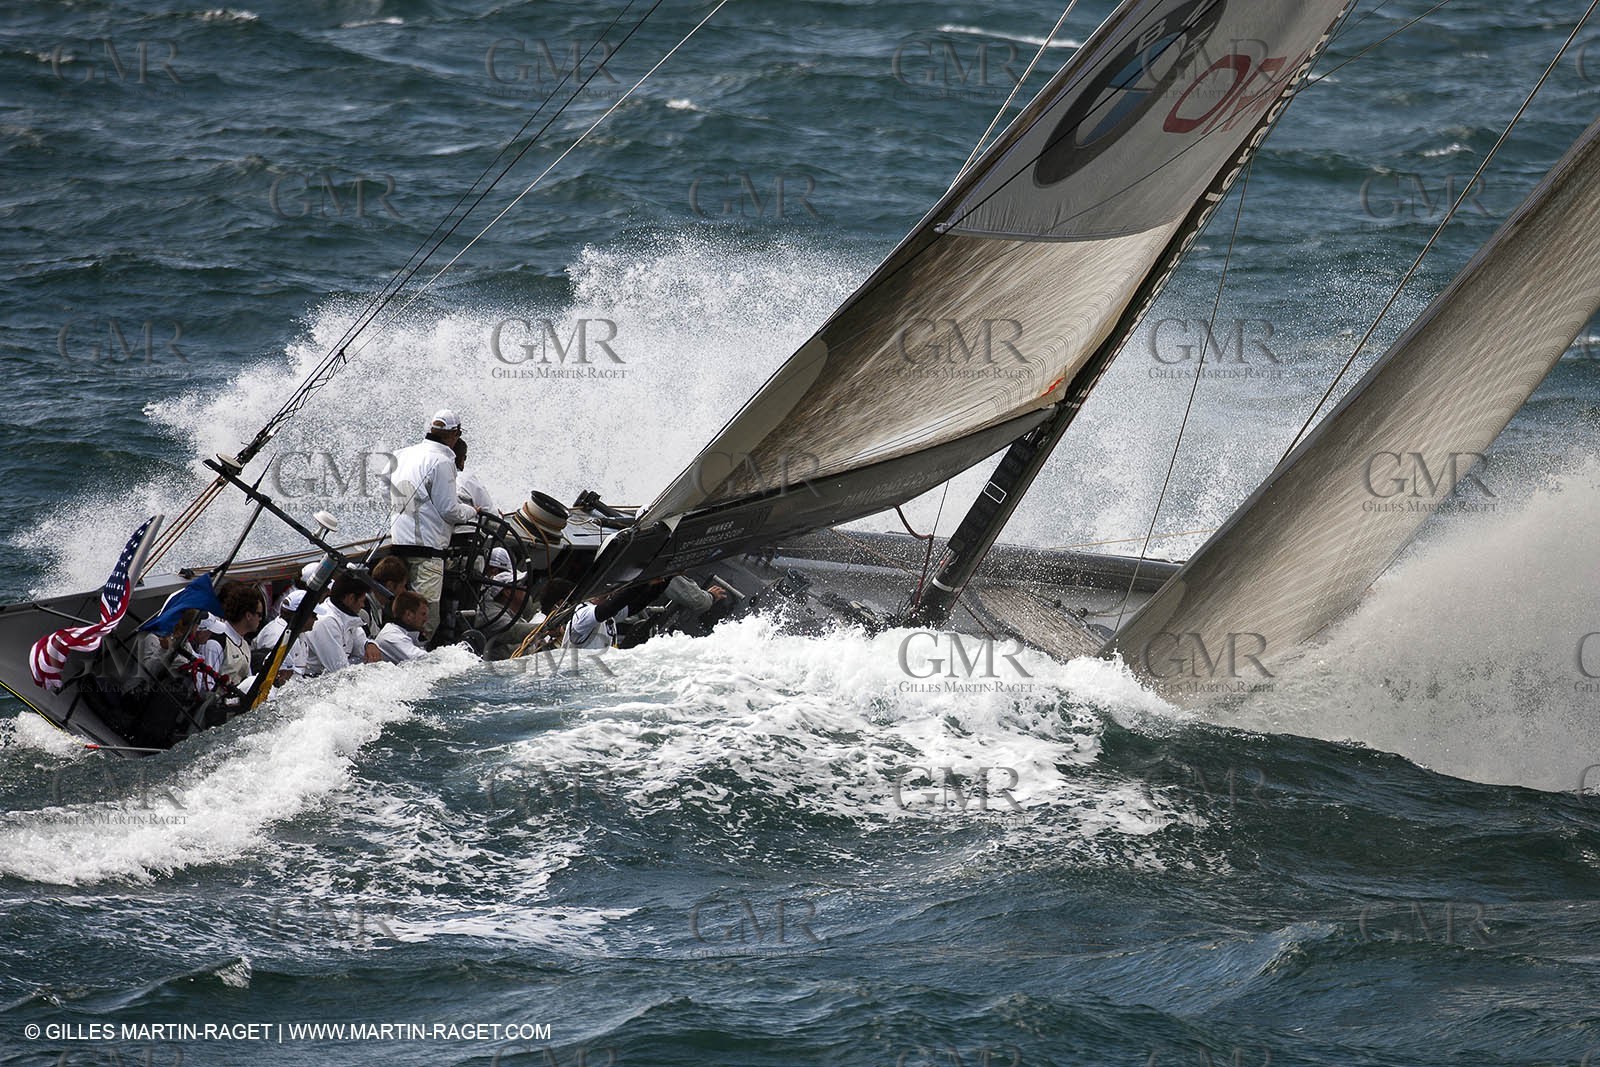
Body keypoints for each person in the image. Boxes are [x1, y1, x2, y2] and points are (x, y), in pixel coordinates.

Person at [388, 409, 480, 640]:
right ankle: (416, 656)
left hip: (399, 545)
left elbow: (386, 489)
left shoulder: (402, 453)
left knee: (401, 612)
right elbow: (450, 510)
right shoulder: (443, 461)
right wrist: (471, 511)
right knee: (425, 619)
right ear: (454, 435)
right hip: (428, 552)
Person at [303, 573, 384, 676]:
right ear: (350, 598)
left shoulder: (347, 617)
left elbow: (361, 642)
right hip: (313, 680)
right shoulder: (326, 622)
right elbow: (339, 671)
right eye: (362, 601)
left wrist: (369, 644)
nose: (363, 605)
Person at [196, 581, 264, 696]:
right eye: (259, 614)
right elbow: (207, 688)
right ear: (248, 616)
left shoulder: (244, 644)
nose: (261, 619)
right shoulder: (215, 643)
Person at [562, 578, 668, 650]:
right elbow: (611, 607)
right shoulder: (583, 613)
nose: (611, 592)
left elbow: (639, 603)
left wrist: (668, 577)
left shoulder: (608, 615)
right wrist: (646, 582)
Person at [376, 591, 430, 663]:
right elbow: (424, 661)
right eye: (423, 614)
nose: (426, 619)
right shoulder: (392, 636)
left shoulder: (404, 633)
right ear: (409, 615)